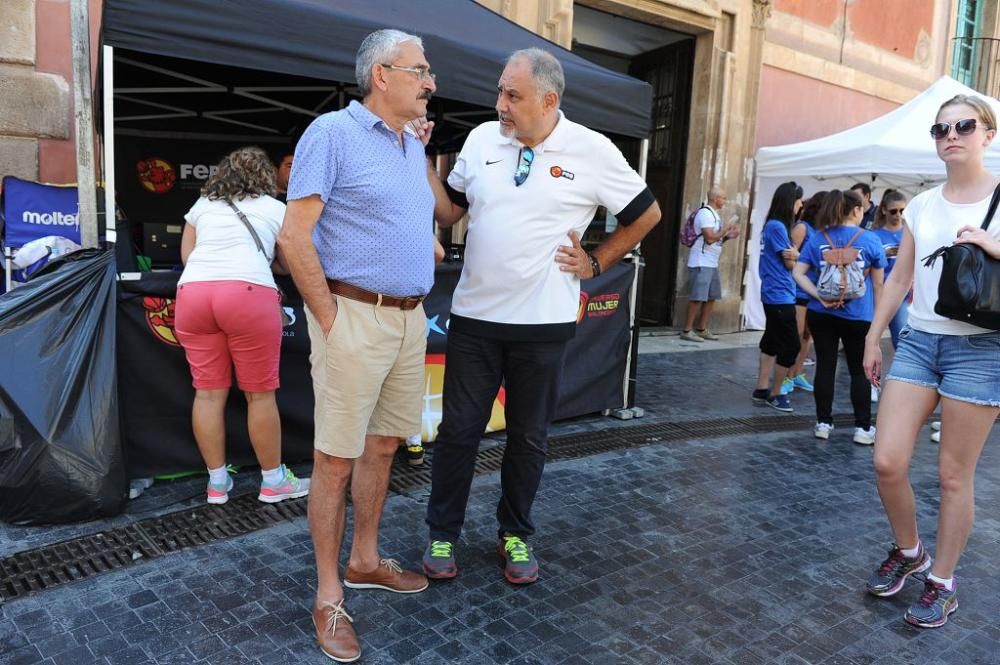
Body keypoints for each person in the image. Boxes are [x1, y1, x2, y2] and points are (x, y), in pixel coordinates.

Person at [419, 48, 661, 585]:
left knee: (528, 437)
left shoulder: (592, 150)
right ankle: (443, 531)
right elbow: (450, 210)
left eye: (513, 95)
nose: (499, 104)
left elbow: (648, 214)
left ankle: (516, 535)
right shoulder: (482, 140)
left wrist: (597, 260)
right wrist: (420, 160)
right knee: (458, 432)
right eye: (500, 91)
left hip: (543, 325)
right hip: (476, 320)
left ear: (549, 100)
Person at [278, 29, 437, 662]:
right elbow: (295, 238)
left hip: (408, 319)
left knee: (383, 446)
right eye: (420, 70)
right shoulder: (331, 134)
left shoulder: (408, 143)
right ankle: (328, 594)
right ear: (382, 76)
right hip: (353, 317)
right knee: (335, 460)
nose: (430, 82)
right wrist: (329, 317)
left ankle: (367, 558)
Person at [862, 93, 1000, 628]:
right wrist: (875, 336)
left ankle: (942, 582)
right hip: (920, 341)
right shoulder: (921, 204)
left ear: (988, 134)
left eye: (964, 126)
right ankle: (910, 549)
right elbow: (900, 277)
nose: (951, 135)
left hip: (982, 349)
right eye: (941, 129)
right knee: (888, 460)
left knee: (951, 477)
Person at [173, 146, 309, 506]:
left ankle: (217, 485)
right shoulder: (275, 209)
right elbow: (287, 262)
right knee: (259, 394)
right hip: (248, 294)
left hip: (194, 294)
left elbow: (187, 257)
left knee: (207, 393)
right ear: (266, 177)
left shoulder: (202, 207)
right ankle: (273, 481)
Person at [793, 189, 885, 444]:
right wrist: (878, 321)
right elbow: (878, 286)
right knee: (859, 370)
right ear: (856, 210)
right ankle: (863, 428)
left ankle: (823, 423)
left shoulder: (818, 238)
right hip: (858, 314)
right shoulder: (870, 240)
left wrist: (819, 296)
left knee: (825, 366)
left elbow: (798, 273)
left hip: (821, 312)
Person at [752, 181, 803, 413]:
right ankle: (775, 393)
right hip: (780, 294)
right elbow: (789, 261)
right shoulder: (778, 227)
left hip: (773, 292)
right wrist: (798, 254)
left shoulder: (771, 225)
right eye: (798, 200)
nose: (800, 205)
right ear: (790, 202)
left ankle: (761, 389)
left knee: (771, 340)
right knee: (791, 344)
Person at [680, 187, 740, 342]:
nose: (725, 202)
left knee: (711, 296)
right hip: (701, 261)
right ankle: (687, 330)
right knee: (697, 297)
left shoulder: (714, 215)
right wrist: (726, 228)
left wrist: (727, 236)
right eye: (724, 198)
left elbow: (715, 239)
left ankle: (701, 328)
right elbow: (709, 238)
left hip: (711, 262)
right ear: (715, 198)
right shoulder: (705, 214)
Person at [780, 191, 824, 396]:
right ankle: (786, 377)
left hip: (814, 292)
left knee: (807, 337)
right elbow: (788, 259)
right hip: (798, 291)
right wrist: (803, 259)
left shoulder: (823, 231)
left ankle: (797, 374)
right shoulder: (802, 228)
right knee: (795, 337)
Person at [872, 189, 910, 348]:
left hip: (910, 291)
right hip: (887, 290)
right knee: (898, 337)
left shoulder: (911, 232)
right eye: (893, 211)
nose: (898, 214)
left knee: (907, 338)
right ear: (884, 210)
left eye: (902, 210)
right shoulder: (875, 235)